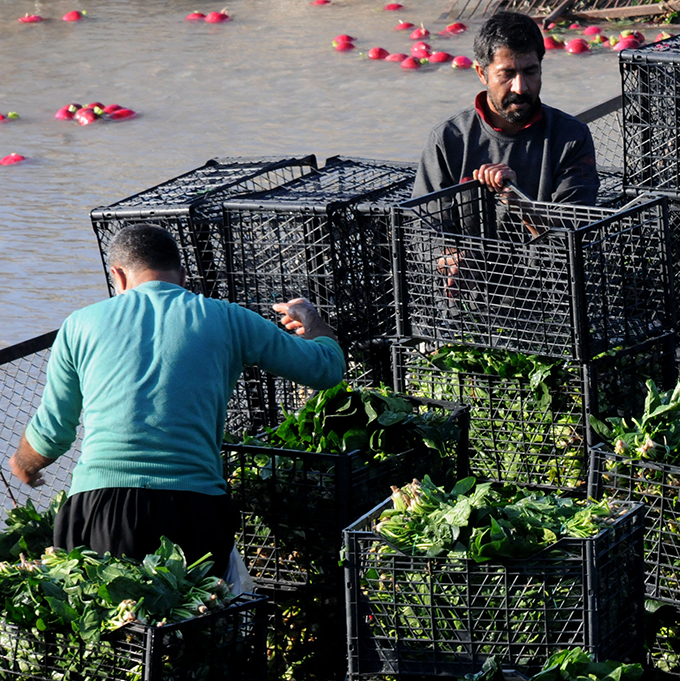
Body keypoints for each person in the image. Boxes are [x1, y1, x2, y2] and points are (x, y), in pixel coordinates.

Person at [7, 223, 345, 578]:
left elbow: (53, 433)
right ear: (181, 276)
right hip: (193, 508)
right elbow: (326, 370)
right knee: (192, 624)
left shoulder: (79, 324)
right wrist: (313, 322)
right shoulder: (229, 318)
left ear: (117, 275)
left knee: (105, 624)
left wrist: (25, 464)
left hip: (98, 507)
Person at [411, 11, 599, 205]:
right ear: (482, 74)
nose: (520, 87)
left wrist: (520, 204)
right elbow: (426, 228)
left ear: (541, 68)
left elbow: (575, 229)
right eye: (506, 74)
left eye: (530, 72)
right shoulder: (447, 140)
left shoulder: (571, 137)